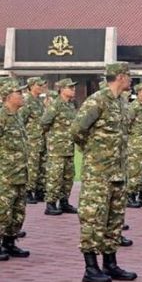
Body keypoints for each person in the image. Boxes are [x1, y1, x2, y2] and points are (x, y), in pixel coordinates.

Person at [71, 62, 137, 282]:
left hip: (117, 171)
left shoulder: (120, 102)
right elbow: (77, 130)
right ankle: (91, 268)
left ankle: (111, 263)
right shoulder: (97, 100)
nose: (131, 79)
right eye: (128, 76)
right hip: (98, 172)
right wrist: (92, 152)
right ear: (120, 77)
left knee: (114, 219)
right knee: (94, 218)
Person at [0, 79, 30, 260]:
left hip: (20, 173)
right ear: (8, 97)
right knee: (2, 211)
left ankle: (10, 243)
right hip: (5, 174)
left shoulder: (17, 116)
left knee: (18, 211)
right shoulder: (2, 116)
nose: (22, 96)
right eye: (19, 93)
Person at [40, 78, 79, 216]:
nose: (73, 90)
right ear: (62, 89)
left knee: (68, 177)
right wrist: (54, 137)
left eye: (73, 88)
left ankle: (64, 202)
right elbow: (44, 122)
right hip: (57, 148)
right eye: (70, 88)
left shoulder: (70, 105)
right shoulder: (55, 105)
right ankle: (50, 204)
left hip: (68, 147)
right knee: (55, 176)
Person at [20, 77, 48, 204]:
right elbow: (21, 121)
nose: (41, 87)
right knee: (32, 166)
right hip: (31, 140)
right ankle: (28, 191)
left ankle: (39, 190)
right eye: (39, 85)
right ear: (31, 86)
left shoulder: (39, 101)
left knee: (41, 166)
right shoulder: (26, 101)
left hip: (41, 139)